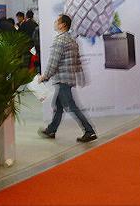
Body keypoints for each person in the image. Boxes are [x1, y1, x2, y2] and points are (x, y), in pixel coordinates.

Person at [38, 14, 97, 143]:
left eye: (57, 21)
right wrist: (80, 76)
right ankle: (51, 130)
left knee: (72, 106)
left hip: (63, 80)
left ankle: (89, 131)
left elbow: (54, 62)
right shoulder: (72, 40)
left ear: (62, 25)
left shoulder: (59, 41)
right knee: (58, 105)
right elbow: (77, 61)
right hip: (68, 79)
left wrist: (45, 76)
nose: (55, 23)